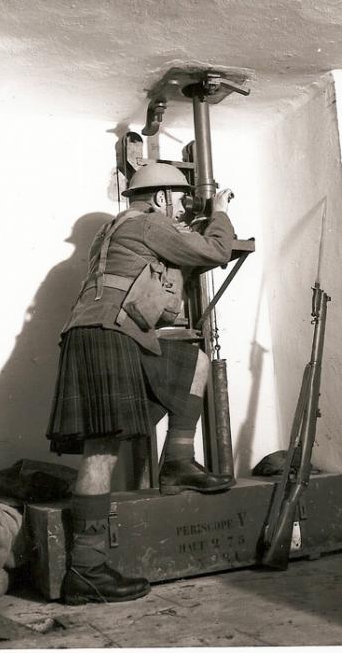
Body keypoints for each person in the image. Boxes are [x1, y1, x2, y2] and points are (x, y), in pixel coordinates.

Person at [46, 162, 236, 605]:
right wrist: (220, 212)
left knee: (194, 361)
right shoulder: (150, 223)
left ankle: (178, 463)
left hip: (109, 332)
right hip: (105, 336)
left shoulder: (116, 228)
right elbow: (214, 252)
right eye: (177, 199)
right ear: (162, 197)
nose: (178, 207)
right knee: (102, 450)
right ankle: (87, 569)